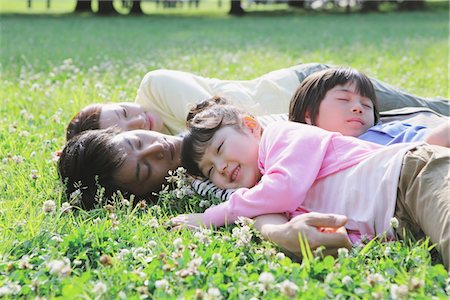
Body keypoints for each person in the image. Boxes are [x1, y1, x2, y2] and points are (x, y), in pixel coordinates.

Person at [173, 97, 449, 268]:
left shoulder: (281, 138)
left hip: (411, 176)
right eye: (210, 170)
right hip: (403, 227)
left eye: (220, 148)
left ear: (250, 126)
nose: (220, 167)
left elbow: (284, 190)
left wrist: (212, 216)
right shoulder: (263, 195)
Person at [65, 63, 450, 141]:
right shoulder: (159, 141)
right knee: (404, 123)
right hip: (313, 118)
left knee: (421, 106)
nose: (136, 121)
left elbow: (223, 119)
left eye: (121, 112)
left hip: (312, 87)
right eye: (121, 129)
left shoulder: (155, 85)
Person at [288, 68, 450, 147]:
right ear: (308, 114)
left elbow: (432, 143)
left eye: (366, 104)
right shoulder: (299, 148)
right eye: (344, 99)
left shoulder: (383, 135)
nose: (358, 108)